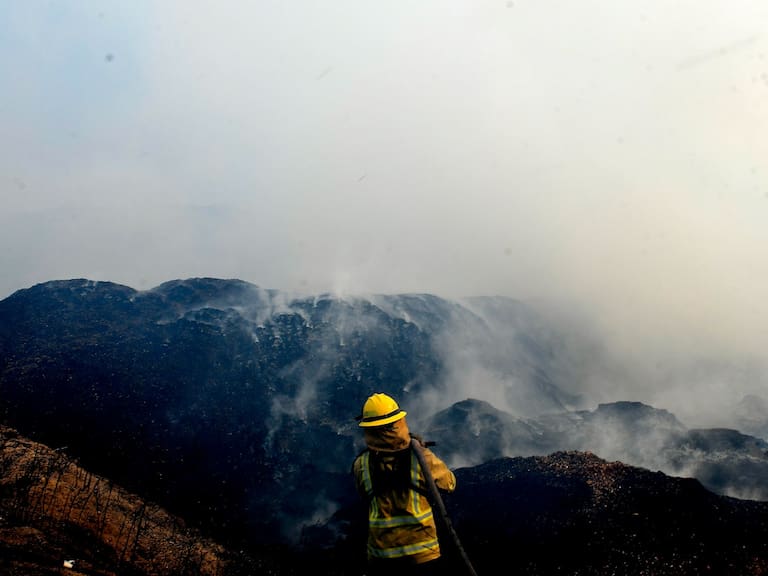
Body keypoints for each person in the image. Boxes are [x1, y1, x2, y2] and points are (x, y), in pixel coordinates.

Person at [352, 392, 457, 576]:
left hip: (381, 557)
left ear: (369, 429)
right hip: (422, 553)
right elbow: (449, 484)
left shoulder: (362, 464)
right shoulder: (420, 457)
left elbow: (364, 496)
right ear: (398, 423)